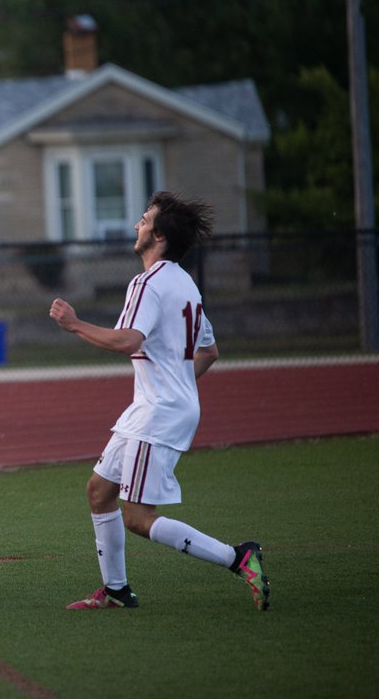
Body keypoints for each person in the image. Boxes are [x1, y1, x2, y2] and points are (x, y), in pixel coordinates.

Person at [48, 191, 270, 611]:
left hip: (160, 412)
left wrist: (74, 324)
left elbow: (127, 340)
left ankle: (238, 556)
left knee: (137, 517)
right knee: (99, 491)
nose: (137, 225)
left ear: (160, 236)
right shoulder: (185, 284)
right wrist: (178, 385)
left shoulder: (148, 282)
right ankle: (116, 591)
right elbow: (210, 351)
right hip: (154, 407)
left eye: (144, 219)